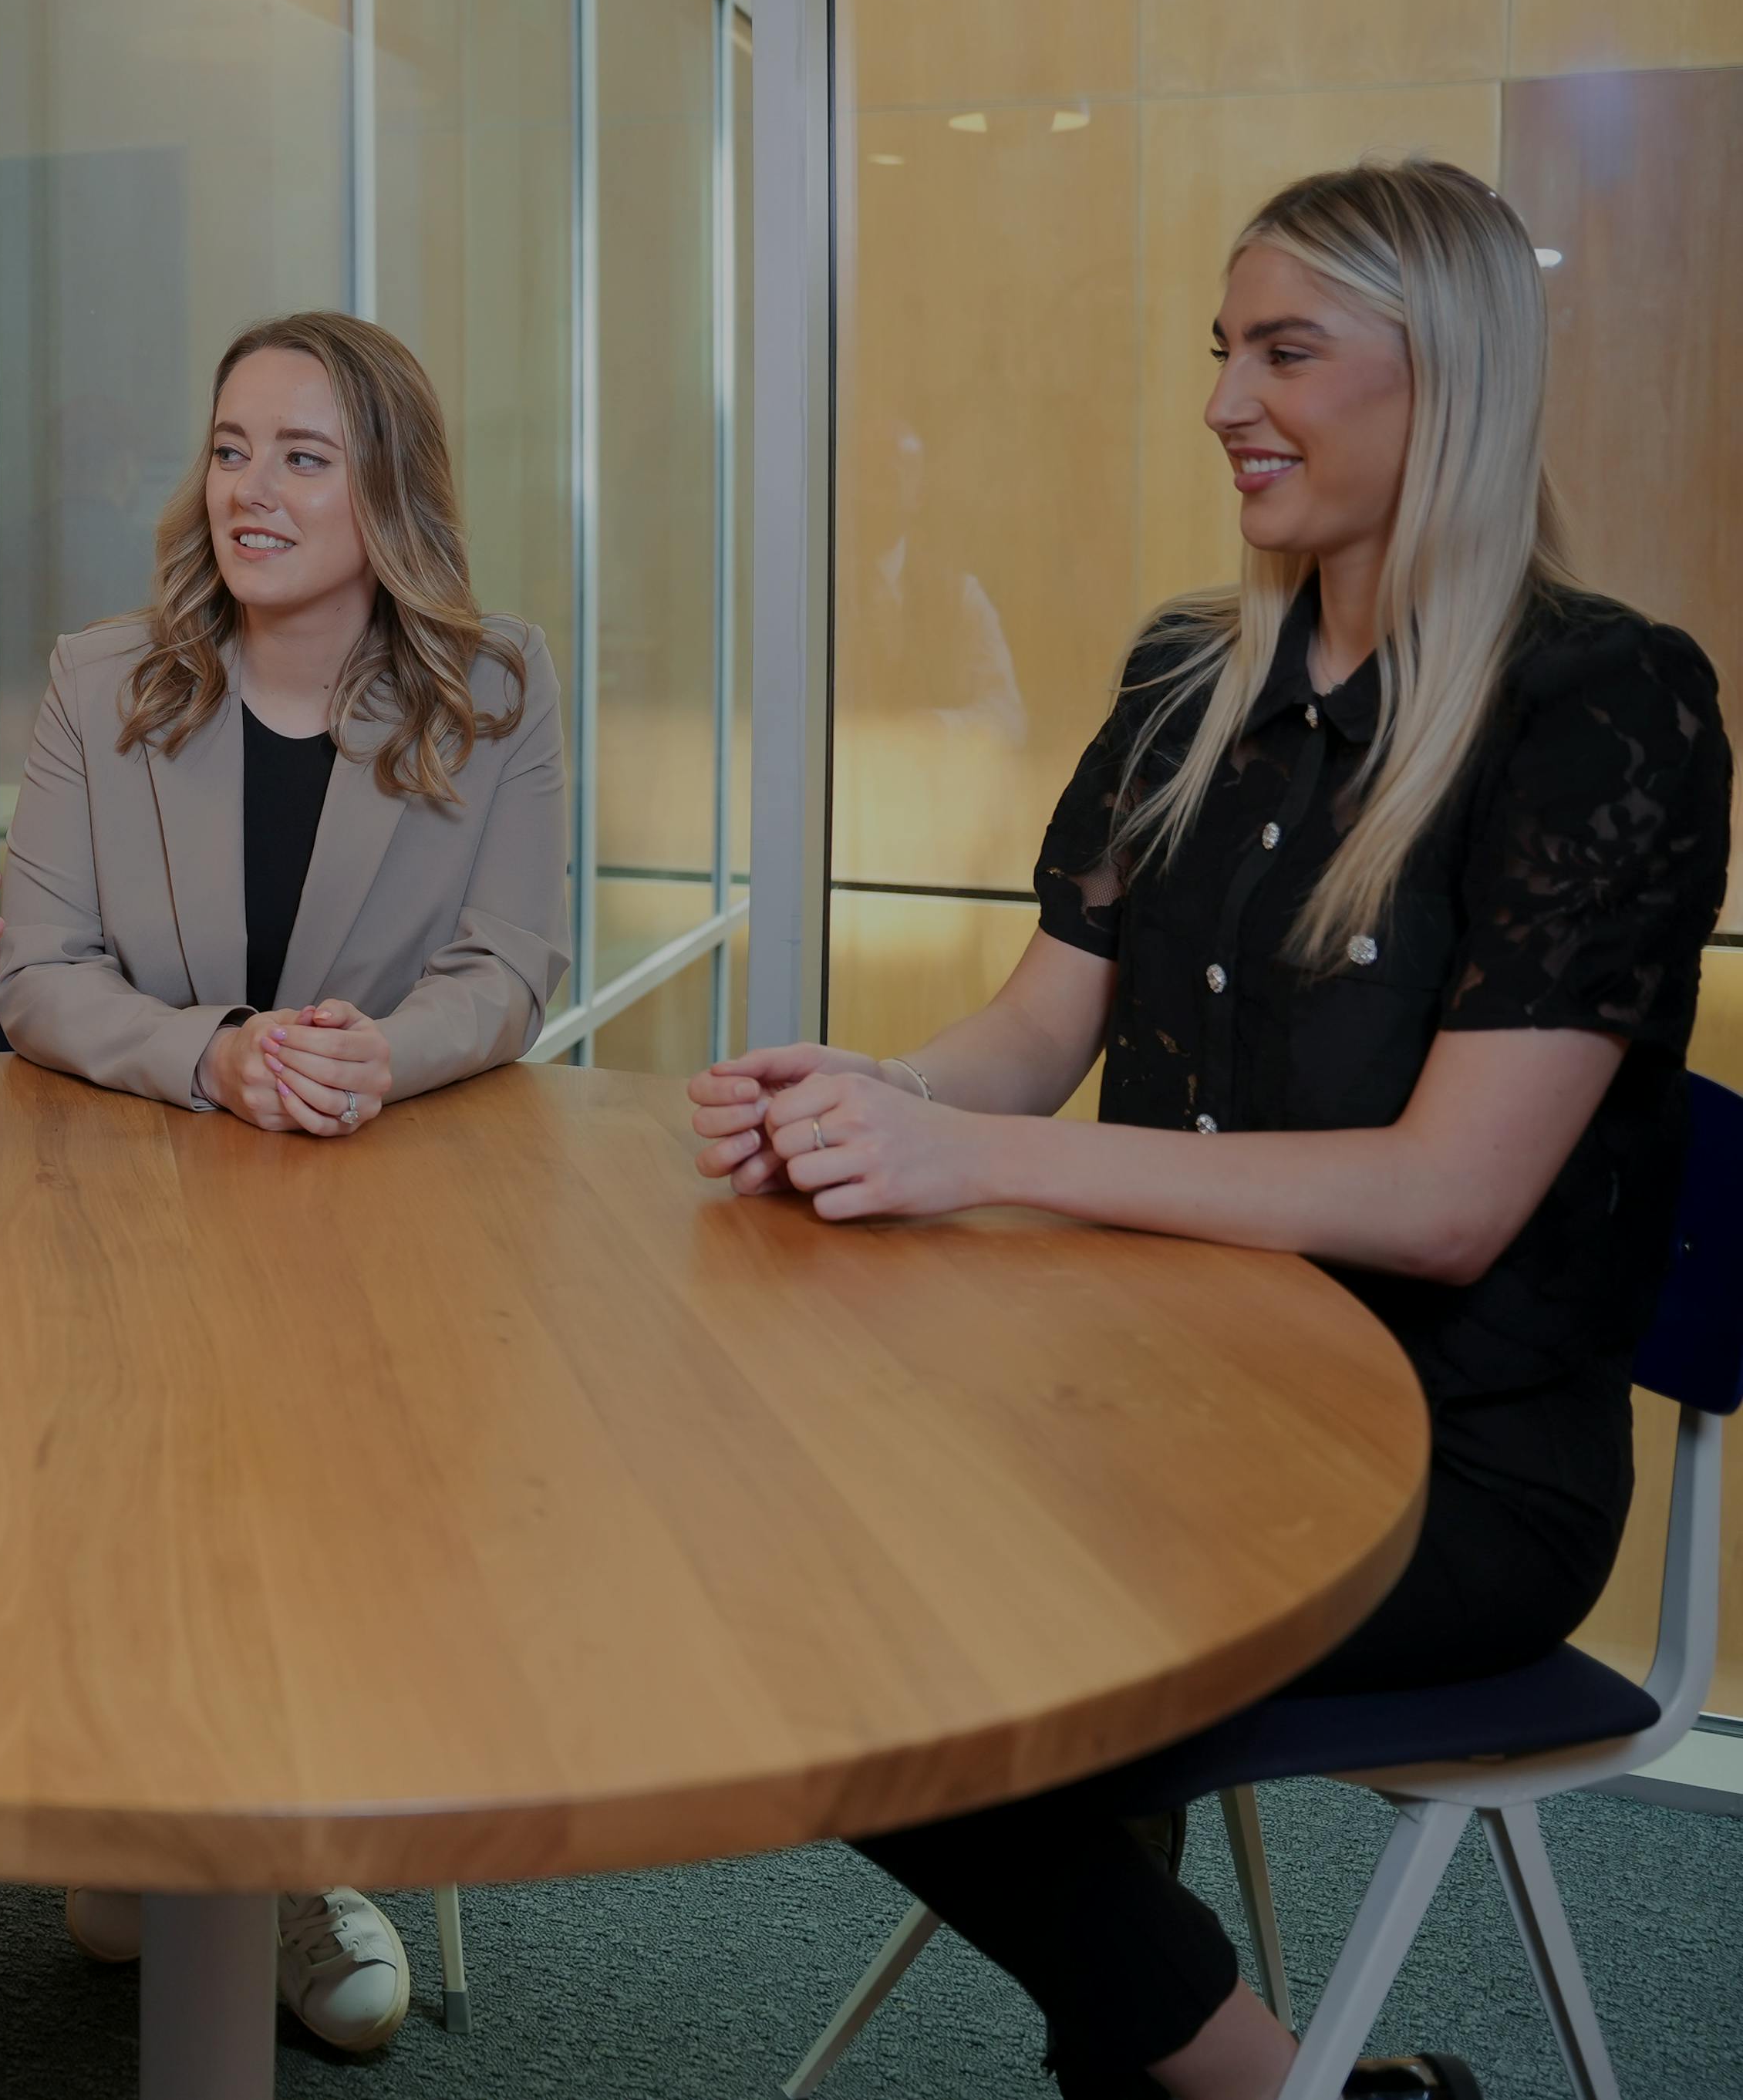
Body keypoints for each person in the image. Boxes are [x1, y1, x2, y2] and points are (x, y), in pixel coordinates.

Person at [691, 160, 1730, 2100]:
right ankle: (1285, 2081)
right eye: (1221, 350)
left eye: (1287, 350)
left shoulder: (1609, 707)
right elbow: (1035, 1029)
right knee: (803, 1583)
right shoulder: (1189, 675)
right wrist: (874, 1097)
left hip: (1450, 1463)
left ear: (1453, 382)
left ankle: (1236, 2078)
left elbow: (1445, 1200)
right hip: (1147, 1401)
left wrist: (977, 1164)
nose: (1224, 398)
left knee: (940, 1670)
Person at [0, 309, 568, 2050]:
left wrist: (388, 1052)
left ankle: (282, 1849)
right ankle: (154, 1810)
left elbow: (516, 963)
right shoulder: (106, 680)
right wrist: (221, 1051)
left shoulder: (494, 687)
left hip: (367, 1201)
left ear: (387, 489)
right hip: (131, 1203)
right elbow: (38, 976)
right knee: (145, 1458)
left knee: (342, 1488)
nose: (251, 488)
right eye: (232, 446)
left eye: (302, 456)